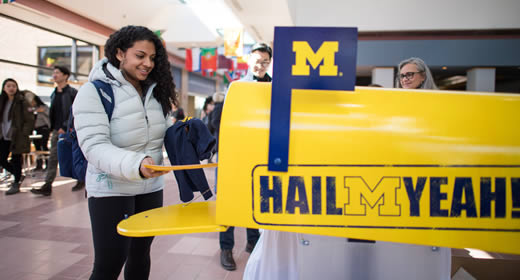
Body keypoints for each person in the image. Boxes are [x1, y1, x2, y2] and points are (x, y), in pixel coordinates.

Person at [72, 25, 176, 280]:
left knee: (141, 256)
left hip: (150, 187)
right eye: (140, 56)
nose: (148, 63)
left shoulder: (155, 92)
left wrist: (186, 136)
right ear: (120, 53)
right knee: (110, 262)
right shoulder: (94, 92)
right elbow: (94, 146)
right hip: (111, 188)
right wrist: (136, 163)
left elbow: (160, 134)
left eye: (152, 58)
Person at [216, 42, 272, 271]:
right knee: (230, 201)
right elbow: (228, 120)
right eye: (257, 61)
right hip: (237, 149)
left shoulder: (275, 86)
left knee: (256, 198)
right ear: (250, 61)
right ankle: (226, 248)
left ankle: (253, 241)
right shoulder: (237, 86)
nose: (260, 65)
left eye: (265, 62)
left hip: (262, 152)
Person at [31, 65, 83, 195]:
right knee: (53, 157)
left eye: (57, 72)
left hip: (70, 131)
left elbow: (76, 112)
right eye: (53, 72)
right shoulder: (54, 93)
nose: (54, 75)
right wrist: (53, 128)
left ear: (65, 75)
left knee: (74, 155)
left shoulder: (72, 93)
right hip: (56, 131)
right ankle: (47, 185)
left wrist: (65, 127)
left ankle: (81, 178)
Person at [0, 79, 34, 195]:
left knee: (16, 160)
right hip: (4, 136)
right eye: (8, 86)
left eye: (13, 86)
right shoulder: (2, 101)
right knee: (2, 159)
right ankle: (17, 174)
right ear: (4, 88)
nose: (11, 88)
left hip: (17, 136)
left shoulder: (22, 101)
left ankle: (16, 183)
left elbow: (30, 119)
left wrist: (24, 133)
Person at [28, 93, 50, 170]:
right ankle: (39, 165)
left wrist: (34, 109)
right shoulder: (32, 109)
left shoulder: (43, 107)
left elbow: (45, 112)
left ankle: (48, 164)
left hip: (44, 129)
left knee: (44, 146)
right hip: (36, 130)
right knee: (37, 147)